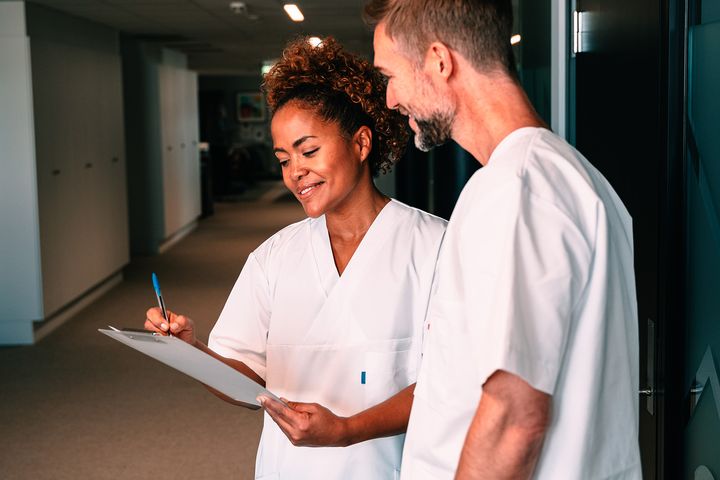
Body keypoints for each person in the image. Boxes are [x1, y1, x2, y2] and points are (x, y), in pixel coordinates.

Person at [144, 36, 446, 479]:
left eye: (308, 151)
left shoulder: (435, 246)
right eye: (283, 159)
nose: (295, 172)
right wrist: (193, 351)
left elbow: (453, 382)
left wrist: (347, 430)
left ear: (361, 144)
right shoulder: (273, 258)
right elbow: (246, 379)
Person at [365, 1, 641, 478]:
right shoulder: (568, 178)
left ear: (438, 60)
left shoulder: (519, 189)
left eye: (389, 75)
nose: (389, 100)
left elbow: (515, 416)